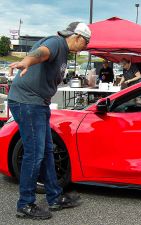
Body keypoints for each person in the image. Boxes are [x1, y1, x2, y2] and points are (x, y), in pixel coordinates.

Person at [8, 21, 91, 220]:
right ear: (78, 37)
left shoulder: (64, 52)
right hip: (27, 102)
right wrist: (27, 61)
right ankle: (25, 204)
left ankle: (54, 197)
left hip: (39, 103)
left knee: (46, 151)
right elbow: (42, 52)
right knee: (34, 154)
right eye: (86, 43)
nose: (85, 48)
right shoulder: (57, 43)